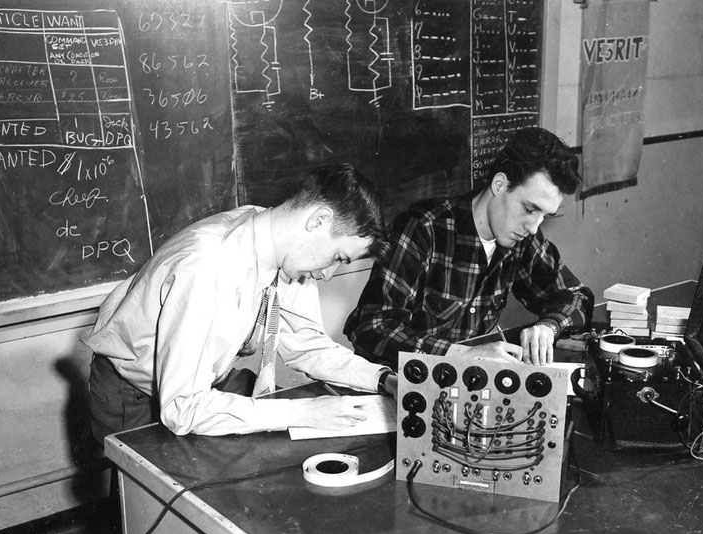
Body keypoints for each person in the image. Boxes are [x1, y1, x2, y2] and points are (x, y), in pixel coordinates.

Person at [83, 163, 397, 442]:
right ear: (318, 220)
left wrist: (382, 379)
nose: (329, 275)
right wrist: (305, 413)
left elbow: (307, 346)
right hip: (134, 392)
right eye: (337, 257)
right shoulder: (207, 266)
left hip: (200, 384)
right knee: (145, 496)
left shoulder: (276, 241)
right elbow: (183, 407)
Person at [343, 127, 594, 371]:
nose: (533, 226)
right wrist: (463, 354)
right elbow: (371, 329)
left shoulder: (523, 237)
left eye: (544, 216)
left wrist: (549, 326)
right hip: (401, 386)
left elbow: (577, 296)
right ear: (499, 185)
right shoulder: (423, 228)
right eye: (530, 209)